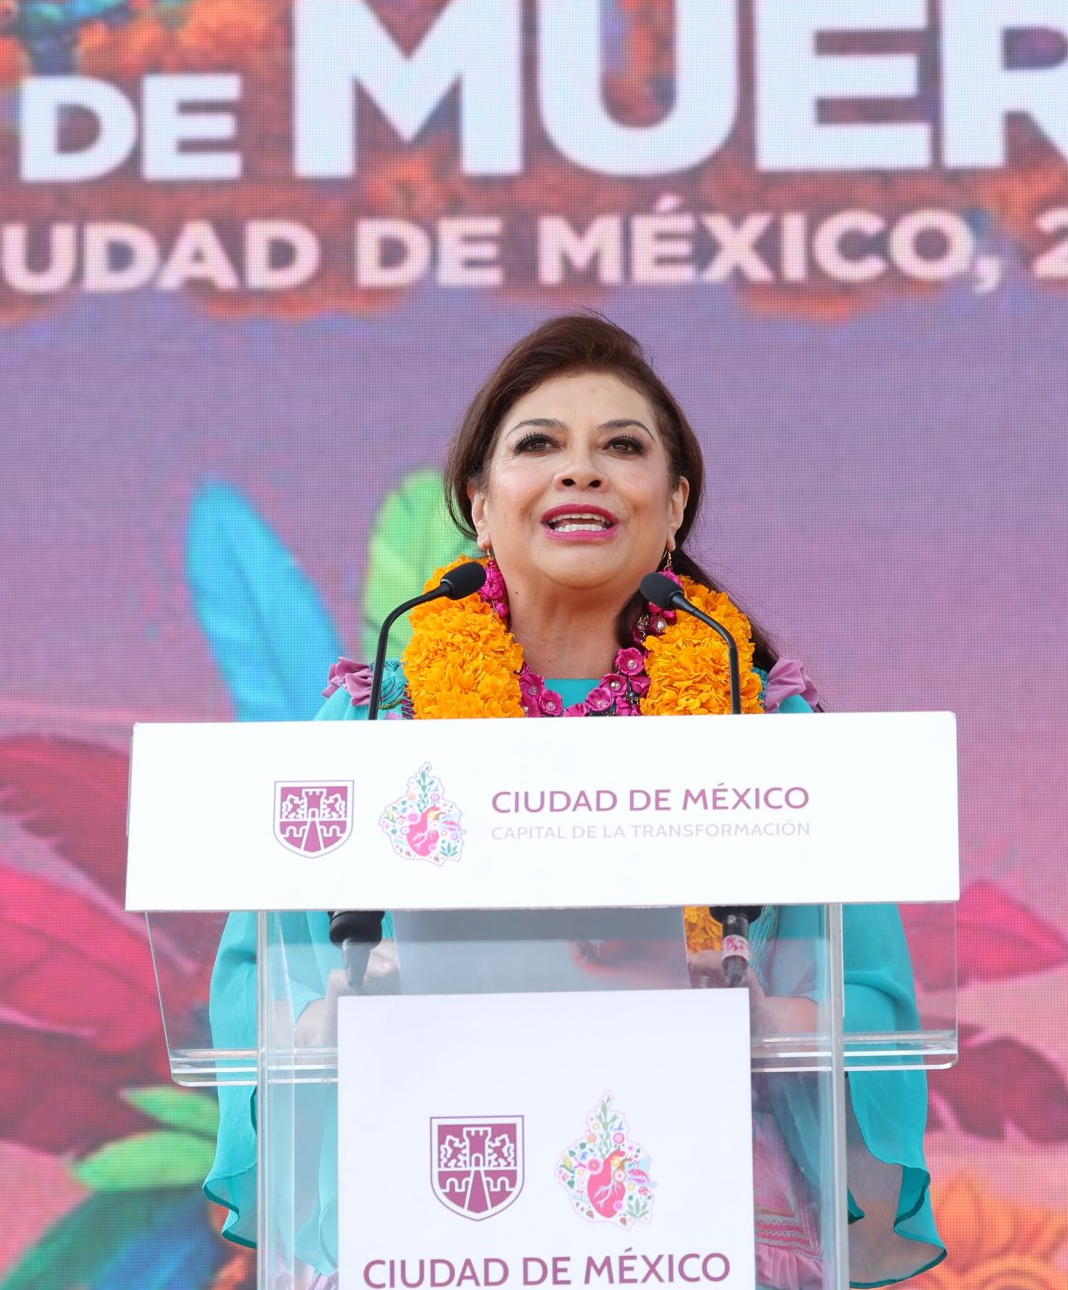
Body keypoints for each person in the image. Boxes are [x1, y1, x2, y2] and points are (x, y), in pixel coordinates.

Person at [205, 312, 943, 1287]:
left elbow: (875, 1005)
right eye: (539, 444)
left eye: (622, 448)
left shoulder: (764, 729)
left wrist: (755, 1013)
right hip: (426, 1218)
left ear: (673, 506)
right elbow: (262, 988)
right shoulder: (373, 731)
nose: (581, 471)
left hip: (711, 1225)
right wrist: (344, 1011)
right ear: (476, 502)